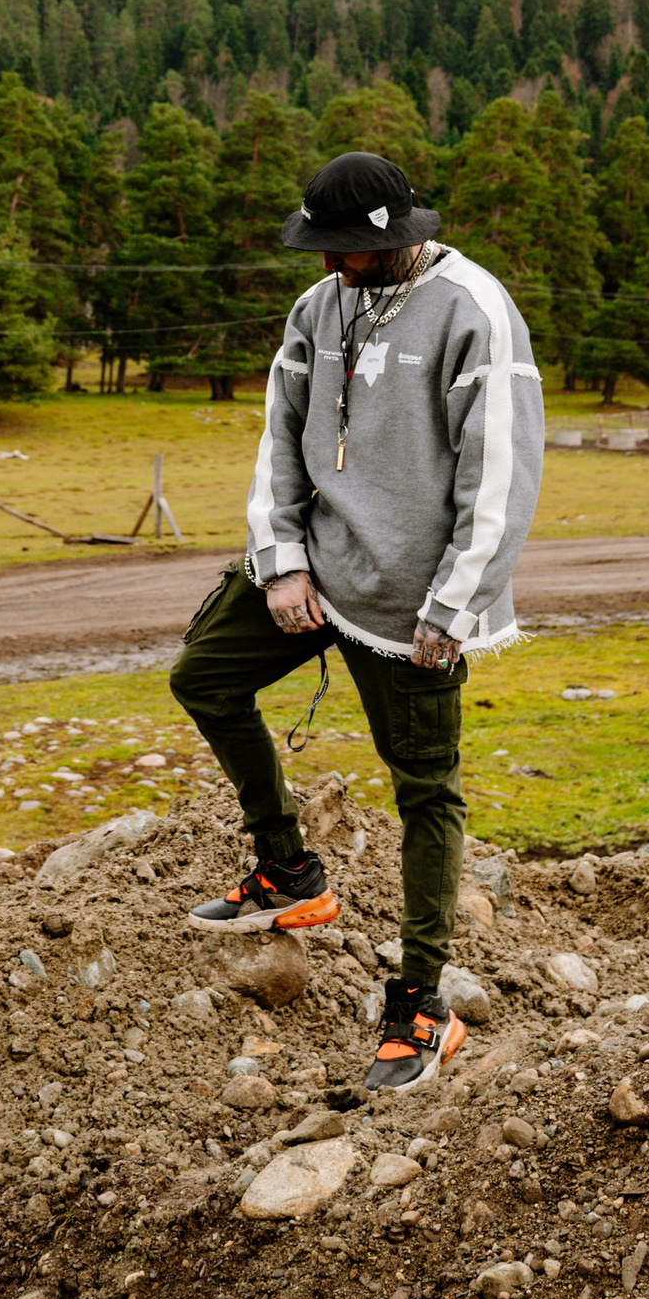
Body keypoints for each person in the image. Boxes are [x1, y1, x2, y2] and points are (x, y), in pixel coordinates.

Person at [170, 149, 543, 1091]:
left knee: (425, 790)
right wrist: (282, 562)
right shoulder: (319, 306)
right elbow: (279, 440)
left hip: (413, 602)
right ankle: (290, 871)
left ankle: (422, 1007)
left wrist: (454, 606)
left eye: (345, 248)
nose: (331, 265)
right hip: (317, 569)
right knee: (203, 676)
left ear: (399, 235)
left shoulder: (473, 311)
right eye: (321, 248)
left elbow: (499, 473)